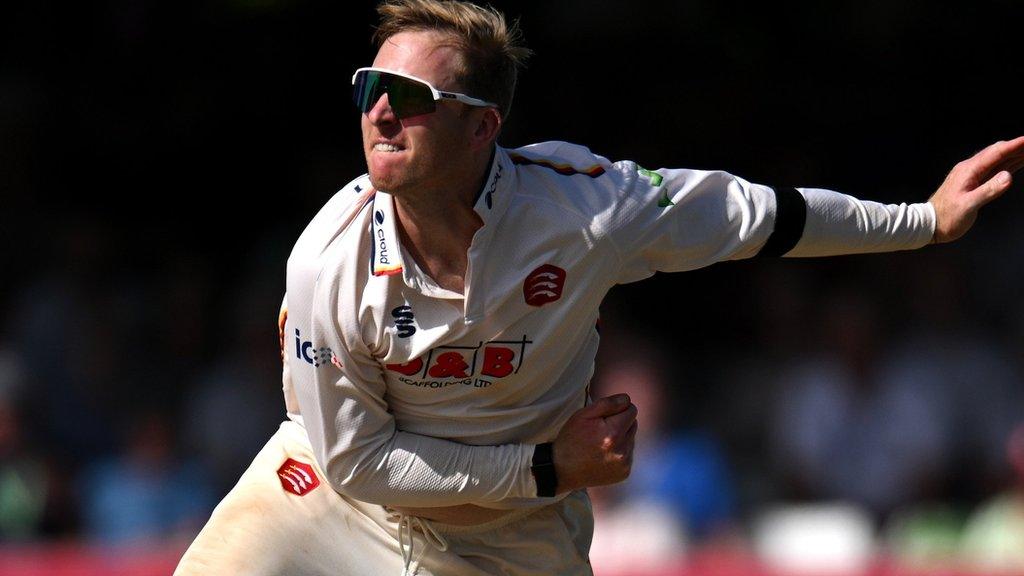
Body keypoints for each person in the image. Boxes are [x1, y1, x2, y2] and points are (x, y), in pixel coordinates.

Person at [175, 1, 1024, 574]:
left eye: (410, 96)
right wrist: (546, 465)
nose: (380, 112)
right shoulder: (327, 259)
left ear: (483, 126)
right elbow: (358, 462)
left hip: (512, 541)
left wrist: (922, 219)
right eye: (369, 89)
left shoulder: (588, 211)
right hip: (336, 497)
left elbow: (759, 217)